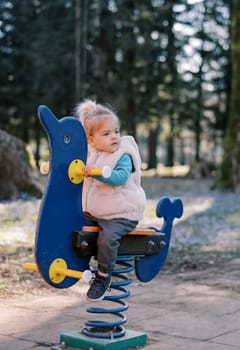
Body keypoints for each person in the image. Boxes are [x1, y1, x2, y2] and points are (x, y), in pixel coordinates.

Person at [75, 99, 146, 302]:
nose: (114, 137)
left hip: (122, 213)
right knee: (75, 229)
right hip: (97, 213)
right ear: (91, 140)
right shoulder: (91, 154)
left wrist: (97, 174)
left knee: (108, 237)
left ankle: (104, 277)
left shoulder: (123, 154)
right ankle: (79, 264)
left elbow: (119, 178)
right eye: (106, 134)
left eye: (116, 131)